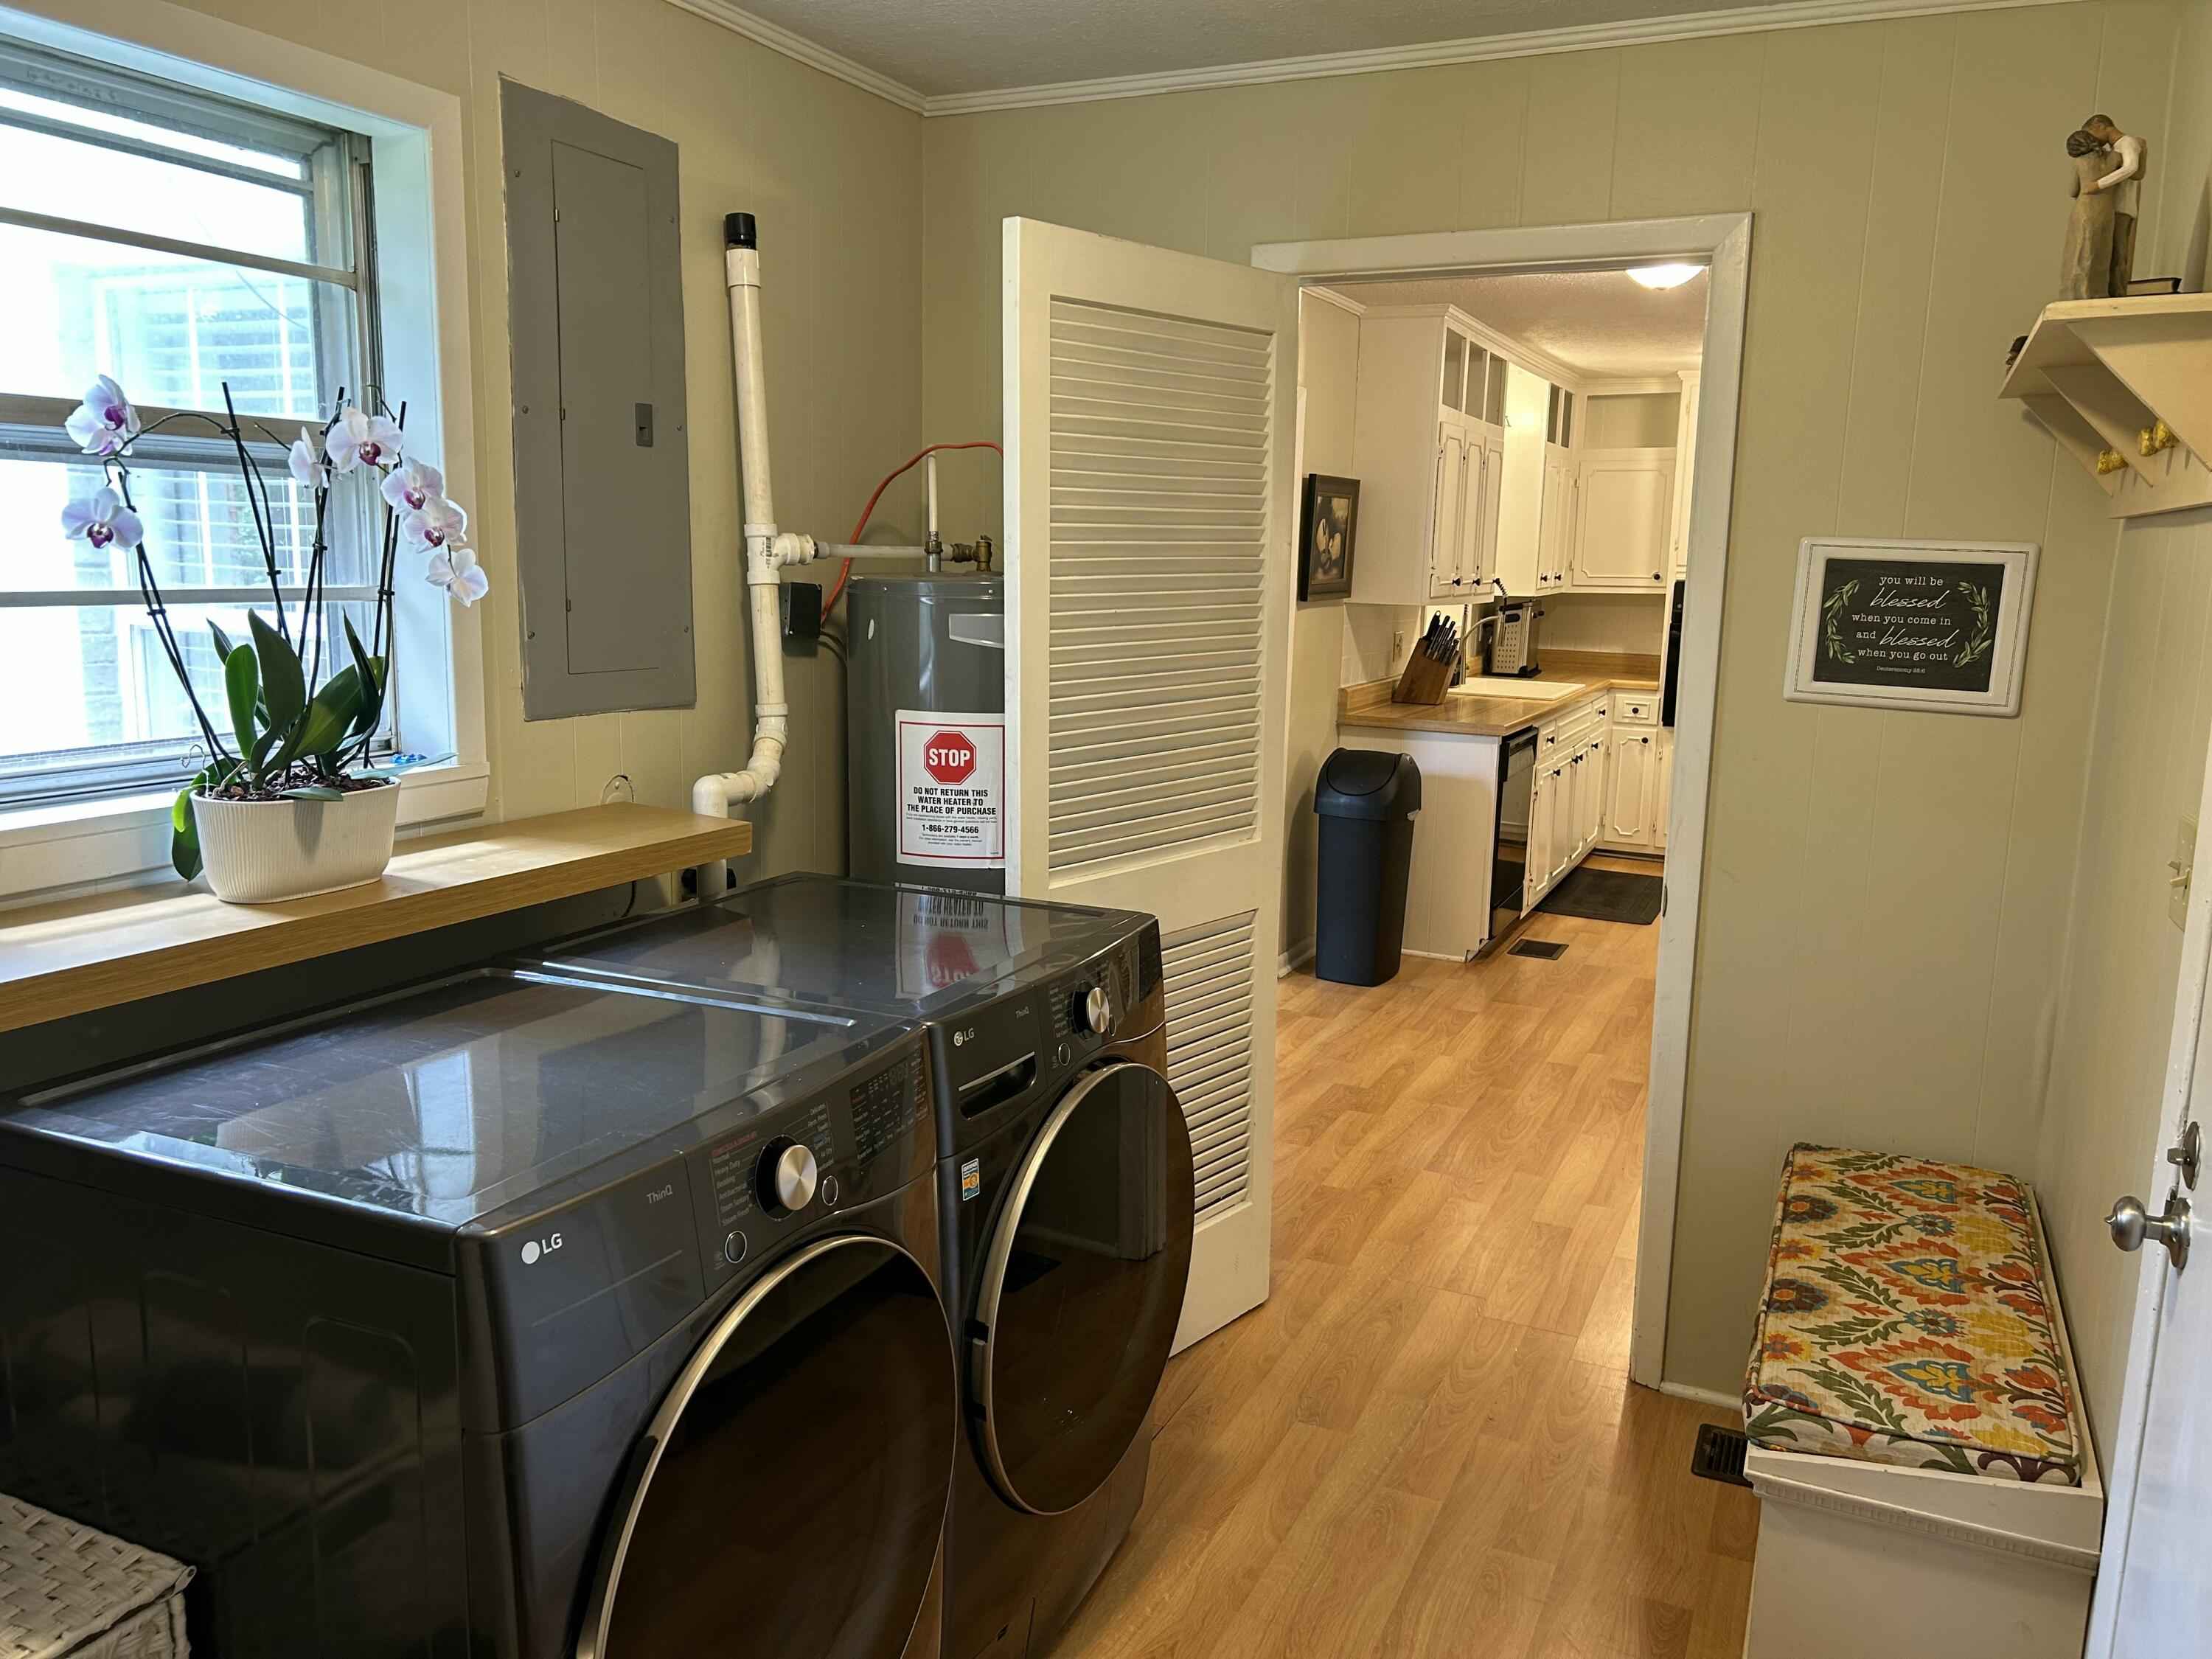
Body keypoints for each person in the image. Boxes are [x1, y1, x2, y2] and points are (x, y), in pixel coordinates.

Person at [2084, 113, 2148, 292]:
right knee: (2108, 252)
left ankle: (2117, 293)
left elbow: (2131, 168)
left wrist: (2098, 184)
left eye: (2091, 134)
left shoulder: (2128, 143)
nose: (2092, 140)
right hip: (2111, 207)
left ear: (2099, 126)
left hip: (2122, 207)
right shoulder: (2116, 147)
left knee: (2118, 253)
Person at [2060, 129, 2117, 300]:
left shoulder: (2079, 162)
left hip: (2085, 210)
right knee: (2102, 252)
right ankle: (2098, 292)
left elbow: (2073, 191)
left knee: (2080, 252)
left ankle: (2077, 294)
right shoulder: (2114, 158)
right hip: (2106, 210)